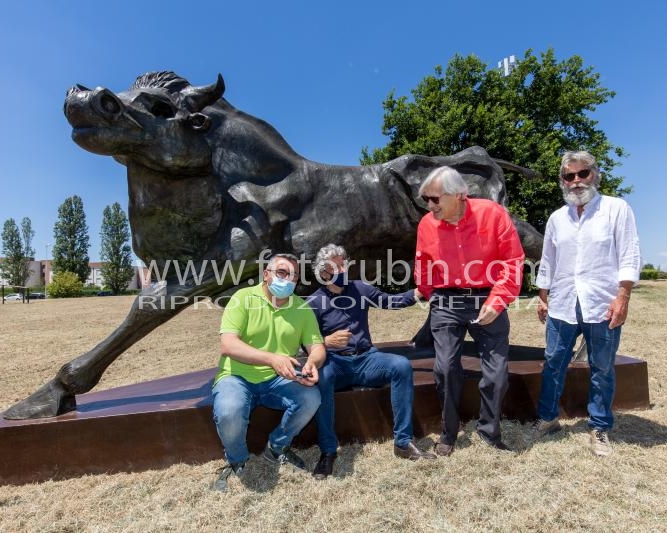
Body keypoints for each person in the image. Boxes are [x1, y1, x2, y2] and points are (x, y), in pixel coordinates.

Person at [533, 151, 640, 456]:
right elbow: (548, 261)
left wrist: (623, 297)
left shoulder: (617, 209)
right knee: (554, 362)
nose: (577, 181)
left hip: (602, 303)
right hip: (564, 303)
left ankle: (600, 427)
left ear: (595, 175)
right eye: (569, 176)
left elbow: (630, 255)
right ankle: (548, 418)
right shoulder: (557, 218)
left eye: (583, 174)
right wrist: (543, 297)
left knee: (602, 368)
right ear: (562, 181)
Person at [414, 167, 525, 455]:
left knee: (497, 372)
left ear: (460, 195)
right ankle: (448, 433)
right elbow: (422, 264)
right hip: (446, 302)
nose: (430, 205)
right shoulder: (426, 224)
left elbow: (512, 261)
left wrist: (497, 300)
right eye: (426, 199)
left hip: (488, 297)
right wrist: (430, 294)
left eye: (435, 199)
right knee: (445, 368)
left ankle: (490, 431)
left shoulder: (493, 214)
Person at [306, 244, 436, 480]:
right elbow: (302, 343)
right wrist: (326, 341)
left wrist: (419, 292)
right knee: (321, 378)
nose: (343, 268)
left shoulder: (360, 289)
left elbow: (391, 301)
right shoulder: (314, 302)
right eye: (337, 265)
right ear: (323, 271)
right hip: (335, 363)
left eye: (344, 263)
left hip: (367, 359)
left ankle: (403, 442)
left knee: (401, 366)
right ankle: (327, 451)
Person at [211, 253, 326, 491]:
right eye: (282, 273)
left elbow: (317, 347)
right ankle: (237, 459)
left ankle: (277, 447)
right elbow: (228, 345)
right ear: (266, 275)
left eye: (293, 276)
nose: (288, 280)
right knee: (229, 412)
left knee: (310, 397)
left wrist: (313, 362)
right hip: (237, 377)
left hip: (278, 379)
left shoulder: (301, 307)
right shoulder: (242, 298)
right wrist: (272, 358)